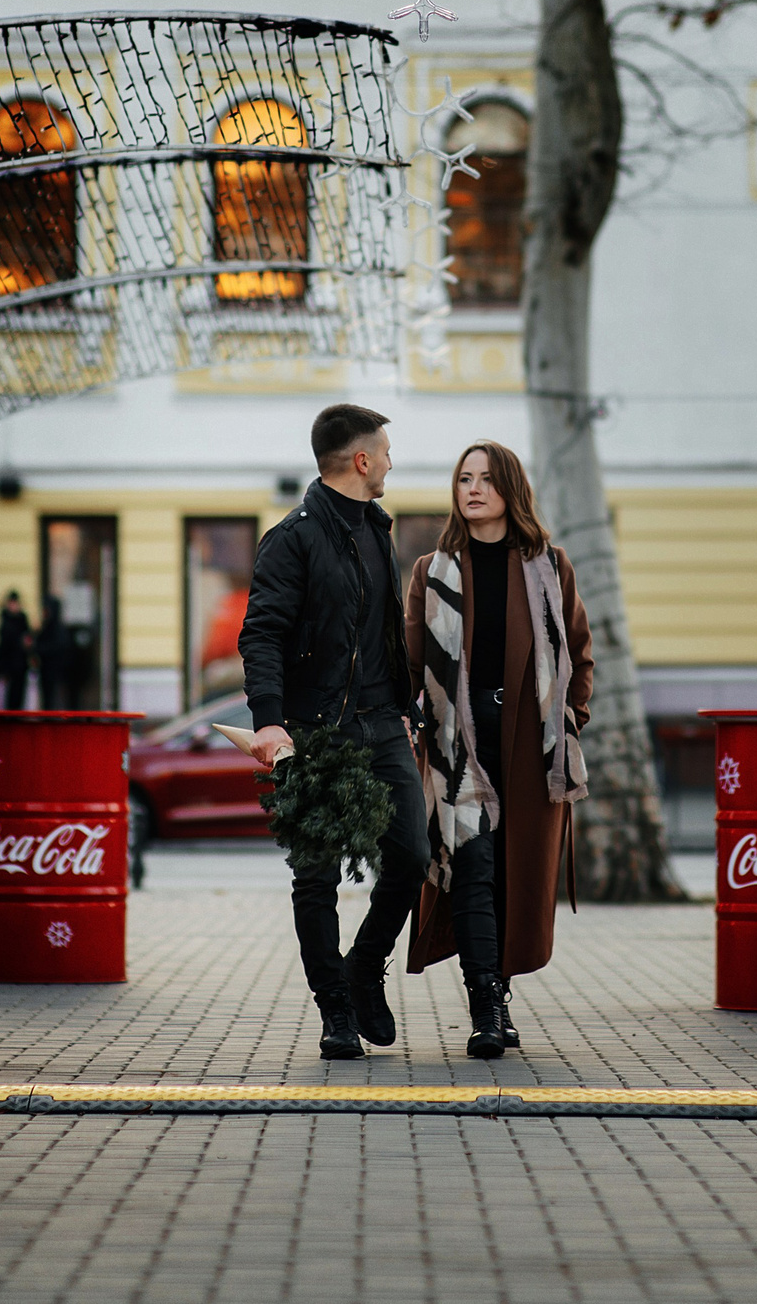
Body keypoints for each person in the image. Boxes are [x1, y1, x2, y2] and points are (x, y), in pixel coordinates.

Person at [238, 403, 428, 1061]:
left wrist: (408, 706)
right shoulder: (291, 538)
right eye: (386, 450)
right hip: (314, 731)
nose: (392, 462)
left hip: (382, 724)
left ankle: (363, 966)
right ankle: (336, 1009)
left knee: (412, 854)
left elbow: (381, 632)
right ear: (362, 459)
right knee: (315, 878)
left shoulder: (378, 529)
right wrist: (267, 718)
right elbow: (261, 633)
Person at [403, 440, 592, 1058]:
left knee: (513, 872)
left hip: (530, 747)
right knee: (475, 868)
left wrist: (570, 722)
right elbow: (410, 662)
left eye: (486, 478)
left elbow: (580, 654)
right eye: (464, 478)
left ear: (511, 487)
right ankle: (485, 1005)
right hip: (459, 742)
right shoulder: (432, 570)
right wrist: (420, 728)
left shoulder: (548, 565)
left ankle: (498, 992)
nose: (474, 488)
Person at [0, 589, 32, 709]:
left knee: (18, 695)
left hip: (20, 664)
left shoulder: (22, 619)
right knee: (7, 698)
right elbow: (4, 645)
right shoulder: (6, 621)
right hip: (8, 664)